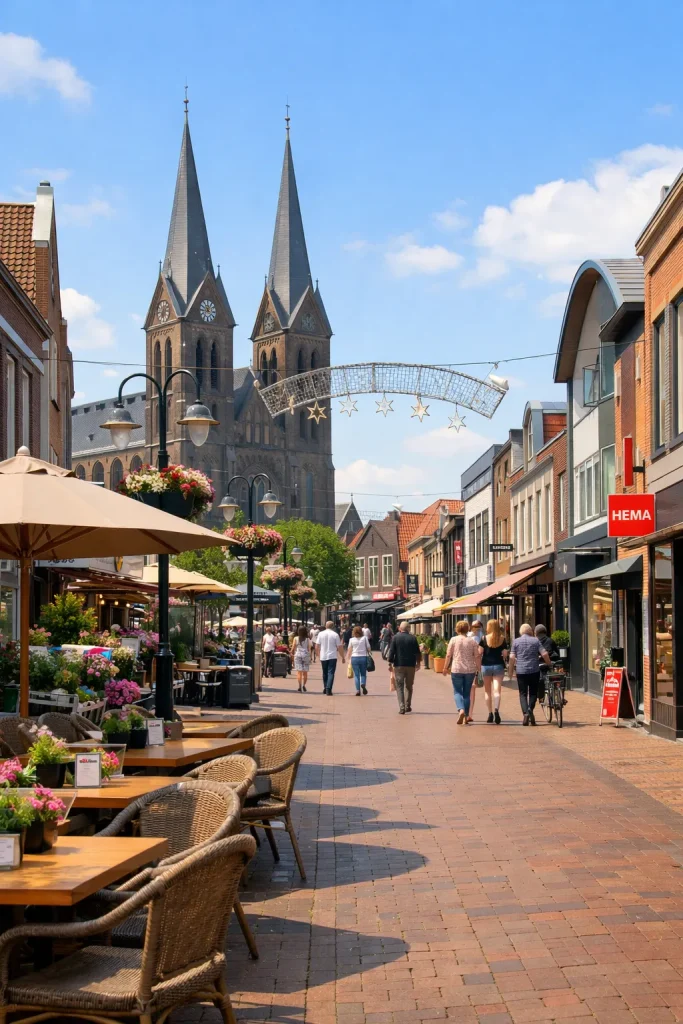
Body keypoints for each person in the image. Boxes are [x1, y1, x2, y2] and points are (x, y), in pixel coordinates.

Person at [508, 623, 551, 725]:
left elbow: (512, 657)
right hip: (534, 670)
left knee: (522, 693)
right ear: (530, 631)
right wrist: (549, 664)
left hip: (521, 671)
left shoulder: (516, 641)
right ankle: (530, 708)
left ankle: (526, 714)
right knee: (533, 693)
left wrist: (510, 671)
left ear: (521, 631)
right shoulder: (536, 641)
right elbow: (544, 653)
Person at [443, 620, 482, 724]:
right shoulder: (472, 641)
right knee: (466, 693)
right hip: (470, 670)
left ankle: (461, 710)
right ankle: (466, 716)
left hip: (456, 669)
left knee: (457, 691)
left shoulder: (453, 640)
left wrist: (445, 668)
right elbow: (477, 656)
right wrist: (479, 669)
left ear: (457, 629)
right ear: (467, 629)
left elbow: (448, 655)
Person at [387, 621, 421, 714]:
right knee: (409, 686)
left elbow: (391, 651)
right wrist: (418, 663)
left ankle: (402, 707)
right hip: (410, 665)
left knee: (399, 686)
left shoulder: (395, 637)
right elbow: (417, 652)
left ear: (400, 628)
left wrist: (390, 663)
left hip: (399, 665)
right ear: (408, 629)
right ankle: (407, 705)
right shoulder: (413, 638)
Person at [479, 620, 508, 724]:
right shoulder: (502, 639)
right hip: (498, 665)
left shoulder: (483, 638)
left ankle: (490, 714)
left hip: (486, 666)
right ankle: (496, 710)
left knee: (487, 691)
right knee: (497, 690)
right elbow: (505, 654)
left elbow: (479, 652)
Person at [316, 621, 344, 695]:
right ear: (333, 626)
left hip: (323, 656)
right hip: (332, 656)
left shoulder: (321, 634)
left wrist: (318, 655)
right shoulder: (335, 634)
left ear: (326, 626)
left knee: (324, 672)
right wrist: (342, 657)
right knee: (331, 672)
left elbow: (317, 646)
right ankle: (328, 688)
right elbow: (339, 647)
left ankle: (325, 687)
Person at [466, 620, 484, 722]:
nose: (476, 628)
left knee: (467, 690)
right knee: (472, 690)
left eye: (478, 626)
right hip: (473, 666)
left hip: (464, 666)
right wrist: (479, 667)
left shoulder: (465, 637)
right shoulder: (477, 638)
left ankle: (466, 712)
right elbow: (478, 654)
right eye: (475, 626)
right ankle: (468, 713)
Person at [348, 625, 371, 695]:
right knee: (363, 673)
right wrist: (369, 652)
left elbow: (349, 650)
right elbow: (369, 648)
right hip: (363, 657)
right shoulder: (365, 638)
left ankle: (358, 690)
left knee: (356, 675)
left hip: (354, 657)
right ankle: (363, 683)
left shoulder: (351, 640)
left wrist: (348, 659)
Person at [290, 625, 311, 693]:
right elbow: (309, 649)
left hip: (298, 655)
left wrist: (291, 653)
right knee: (305, 672)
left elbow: (293, 648)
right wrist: (310, 657)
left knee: (299, 672)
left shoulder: (296, 638)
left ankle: (299, 686)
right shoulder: (307, 639)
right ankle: (304, 685)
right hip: (305, 655)